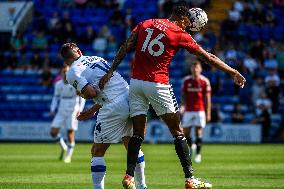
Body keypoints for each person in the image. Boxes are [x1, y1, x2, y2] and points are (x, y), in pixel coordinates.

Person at [99, 2, 245, 189]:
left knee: (137, 133)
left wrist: (111, 70)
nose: (187, 26)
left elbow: (126, 46)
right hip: (158, 84)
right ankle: (190, 179)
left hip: (136, 83)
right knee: (177, 132)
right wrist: (232, 71)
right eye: (187, 23)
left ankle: (129, 176)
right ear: (183, 19)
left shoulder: (147, 22)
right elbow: (208, 58)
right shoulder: (180, 33)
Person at [60, 43, 147, 189]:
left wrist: (81, 92)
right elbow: (108, 87)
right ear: (79, 51)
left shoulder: (72, 71)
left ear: (65, 60)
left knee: (97, 151)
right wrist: (94, 108)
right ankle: (142, 185)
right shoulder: (96, 58)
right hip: (130, 96)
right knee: (131, 145)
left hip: (113, 105)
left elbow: (91, 93)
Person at [49, 65, 86, 163]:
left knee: (70, 132)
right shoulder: (58, 84)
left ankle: (68, 156)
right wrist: (52, 109)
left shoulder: (74, 83)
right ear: (61, 73)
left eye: (66, 72)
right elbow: (55, 97)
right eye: (63, 72)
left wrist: (80, 110)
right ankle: (64, 147)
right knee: (53, 132)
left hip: (73, 108)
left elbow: (81, 97)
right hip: (62, 107)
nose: (65, 74)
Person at [180, 61, 211, 163]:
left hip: (199, 110)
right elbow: (183, 96)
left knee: (198, 132)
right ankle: (192, 145)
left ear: (200, 69)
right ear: (191, 69)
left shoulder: (204, 81)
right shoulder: (186, 81)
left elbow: (207, 99)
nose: (195, 69)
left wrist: (208, 112)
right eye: (193, 68)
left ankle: (198, 154)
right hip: (188, 110)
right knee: (186, 133)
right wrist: (182, 106)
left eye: (197, 67)